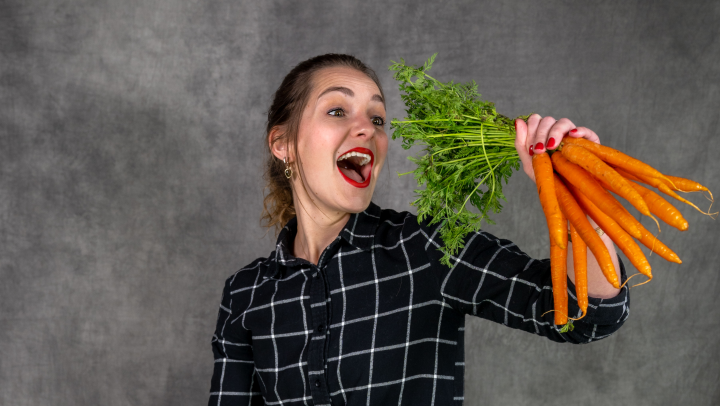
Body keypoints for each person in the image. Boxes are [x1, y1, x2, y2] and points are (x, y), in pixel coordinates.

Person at [208, 54, 629, 405]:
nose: (367, 130)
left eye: (377, 119)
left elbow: (588, 313)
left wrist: (576, 198)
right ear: (282, 144)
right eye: (337, 111)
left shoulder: (424, 247)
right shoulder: (246, 295)